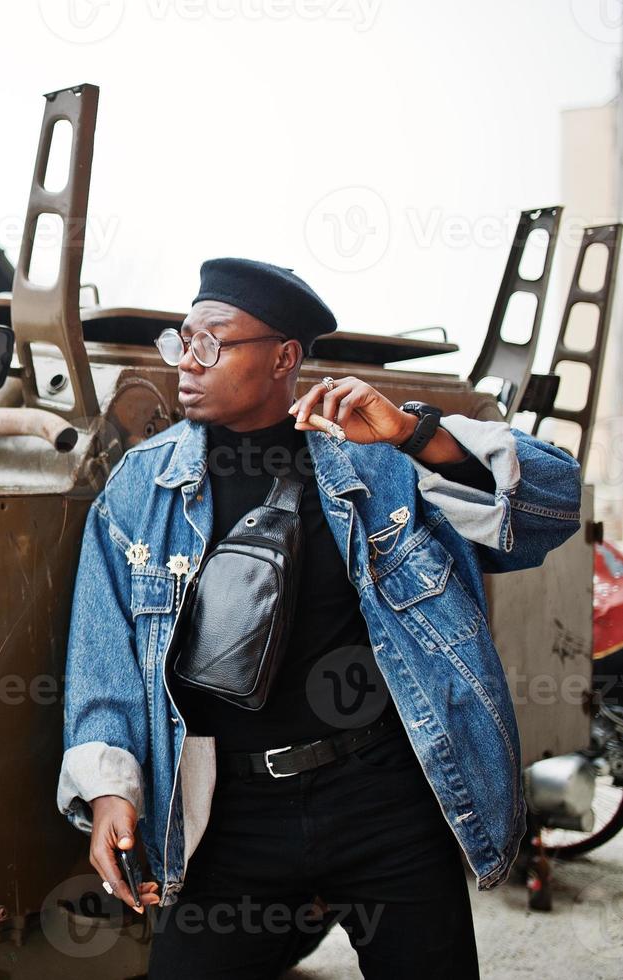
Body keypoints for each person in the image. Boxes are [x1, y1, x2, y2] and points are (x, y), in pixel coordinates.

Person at [57, 258, 583, 978]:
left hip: (382, 800)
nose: (187, 362)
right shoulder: (141, 488)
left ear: (283, 357)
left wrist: (414, 434)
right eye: (182, 341)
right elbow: (103, 654)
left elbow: (551, 508)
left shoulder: (377, 465)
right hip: (228, 817)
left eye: (212, 342)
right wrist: (110, 787)